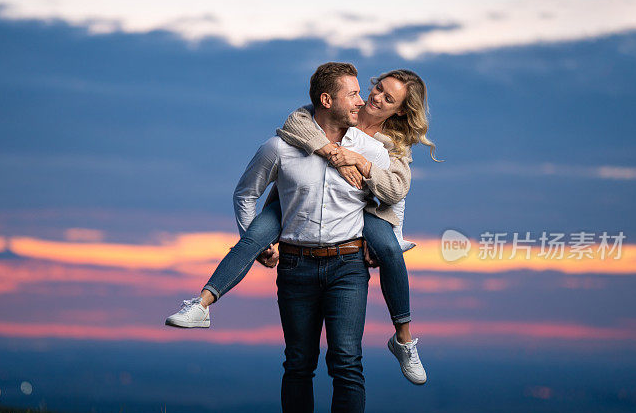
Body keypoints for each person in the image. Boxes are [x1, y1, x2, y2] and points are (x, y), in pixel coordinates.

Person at [165, 68, 438, 386]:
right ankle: (202, 304)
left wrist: (362, 167)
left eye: (388, 98)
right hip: (302, 200)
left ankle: (403, 339)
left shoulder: (387, 146)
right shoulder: (339, 107)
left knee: (390, 250)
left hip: (363, 210)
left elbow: (396, 190)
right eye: (377, 88)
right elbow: (295, 123)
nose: (375, 97)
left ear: (400, 109)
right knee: (253, 236)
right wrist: (332, 152)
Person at [238, 62, 390, 413]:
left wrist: (383, 242)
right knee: (299, 362)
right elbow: (245, 194)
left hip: (348, 267)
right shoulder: (279, 147)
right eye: (353, 94)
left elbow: (392, 200)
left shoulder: (370, 150)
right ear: (327, 100)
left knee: (346, 361)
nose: (363, 101)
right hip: (295, 266)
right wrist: (258, 244)